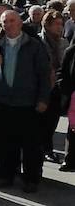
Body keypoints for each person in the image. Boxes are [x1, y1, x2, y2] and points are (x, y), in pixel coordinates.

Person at [0, 10, 51, 193]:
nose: (9, 24)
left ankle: (31, 178)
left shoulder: (34, 45)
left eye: (12, 21)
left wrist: (43, 99)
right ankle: (6, 175)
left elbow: (45, 75)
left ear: (20, 23)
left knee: (31, 145)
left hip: (27, 103)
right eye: (5, 22)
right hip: (2, 102)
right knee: (5, 143)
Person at [39, 10, 66, 164]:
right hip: (43, 86)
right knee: (42, 121)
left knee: (52, 120)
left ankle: (47, 148)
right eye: (56, 24)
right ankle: (43, 148)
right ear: (47, 25)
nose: (59, 27)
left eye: (61, 24)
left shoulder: (63, 42)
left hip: (58, 86)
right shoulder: (38, 41)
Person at [60, 37, 75, 172]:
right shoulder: (71, 51)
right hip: (74, 96)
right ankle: (69, 159)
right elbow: (64, 74)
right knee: (73, 129)